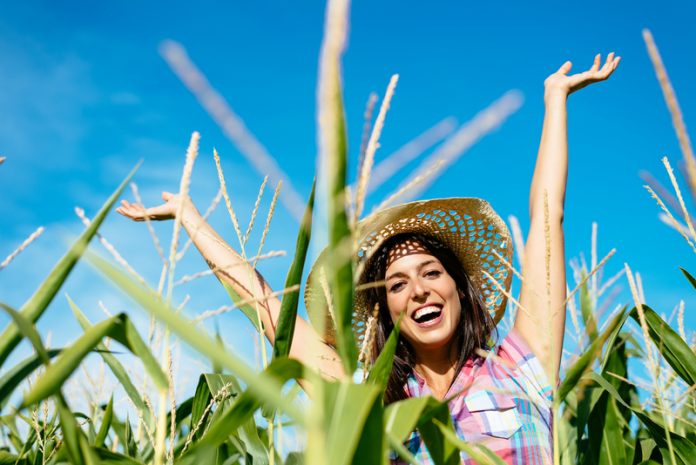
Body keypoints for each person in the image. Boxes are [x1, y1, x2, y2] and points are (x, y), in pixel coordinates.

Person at [117, 53, 620, 464]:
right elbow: (278, 319)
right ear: (385, 310)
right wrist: (191, 218)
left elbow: (547, 217)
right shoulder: (372, 402)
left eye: (430, 273)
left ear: (459, 290)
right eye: (397, 284)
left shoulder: (523, 367)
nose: (418, 289)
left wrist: (555, 102)